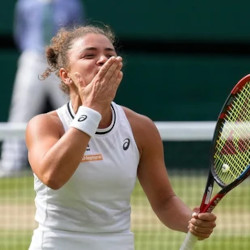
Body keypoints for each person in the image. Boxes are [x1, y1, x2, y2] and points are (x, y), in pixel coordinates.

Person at [26, 24, 217, 250]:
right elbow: (53, 176)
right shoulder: (45, 125)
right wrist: (92, 109)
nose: (103, 60)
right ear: (66, 75)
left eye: (110, 55)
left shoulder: (141, 128)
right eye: (89, 55)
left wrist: (191, 222)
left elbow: (165, 201)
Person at [0, 0, 85, 177]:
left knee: (73, 109)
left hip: (61, 61)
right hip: (32, 59)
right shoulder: (25, 4)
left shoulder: (72, 4)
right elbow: (21, 31)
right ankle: (10, 164)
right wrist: (31, 50)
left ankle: (82, 160)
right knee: (22, 111)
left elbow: (77, 34)